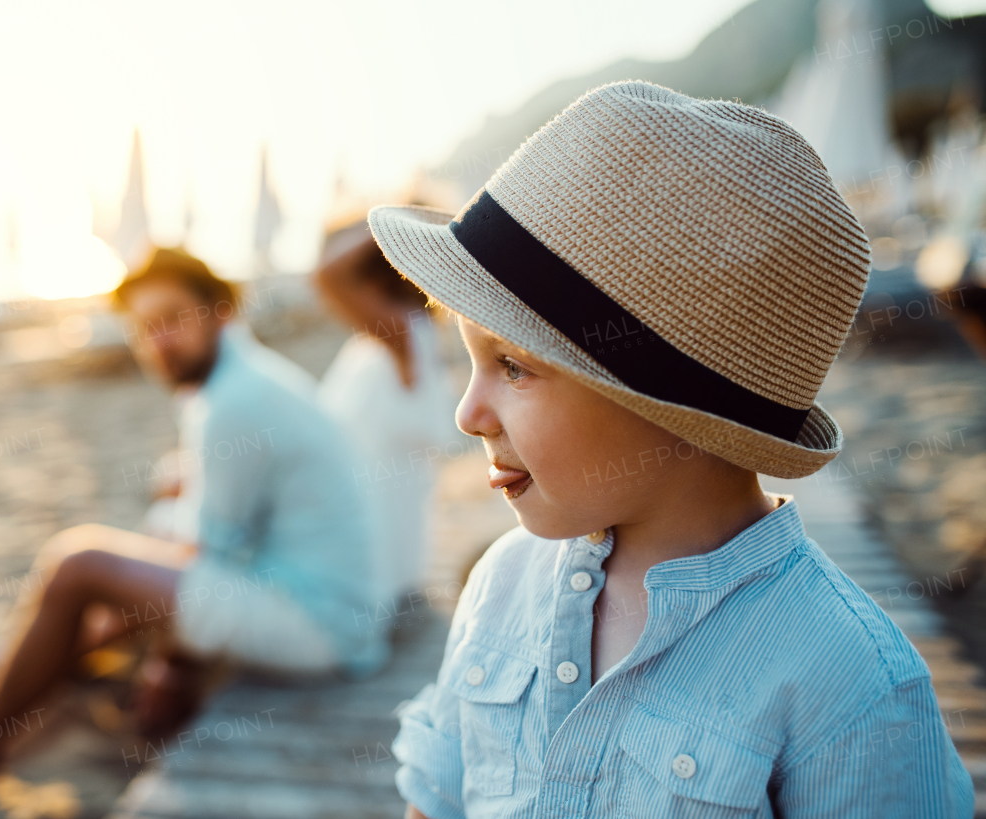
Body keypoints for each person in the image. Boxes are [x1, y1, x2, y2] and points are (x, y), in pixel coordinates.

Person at [367, 82, 973, 818]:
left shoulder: (849, 686)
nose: (467, 413)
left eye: (515, 366)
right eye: (470, 361)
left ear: (673, 412)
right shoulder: (501, 584)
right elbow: (439, 797)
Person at [0, 248, 386, 763]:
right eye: (144, 328)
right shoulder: (243, 378)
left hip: (319, 626)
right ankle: (53, 655)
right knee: (162, 510)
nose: (157, 342)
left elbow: (211, 553)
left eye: (171, 321)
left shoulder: (236, 400)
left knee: (78, 565)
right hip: (329, 602)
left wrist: (172, 667)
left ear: (219, 312)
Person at [315, 221, 460, 606]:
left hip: (371, 555)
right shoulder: (387, 339)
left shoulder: (403, 331)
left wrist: (399, 220)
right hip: (357, 527)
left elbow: (326, 275)